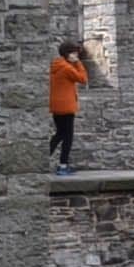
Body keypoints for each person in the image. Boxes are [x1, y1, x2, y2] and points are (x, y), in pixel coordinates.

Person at [48, 38, 89, 174]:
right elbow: (83, 79)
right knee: (68, 136)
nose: (76, 56)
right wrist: (78, 63)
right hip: (66, 107)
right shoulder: (67, 68)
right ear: (67, 53)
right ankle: (63, 166)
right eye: (75, 53)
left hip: (56, 106)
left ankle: (43, 160)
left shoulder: (56, 65)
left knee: (60, 134)